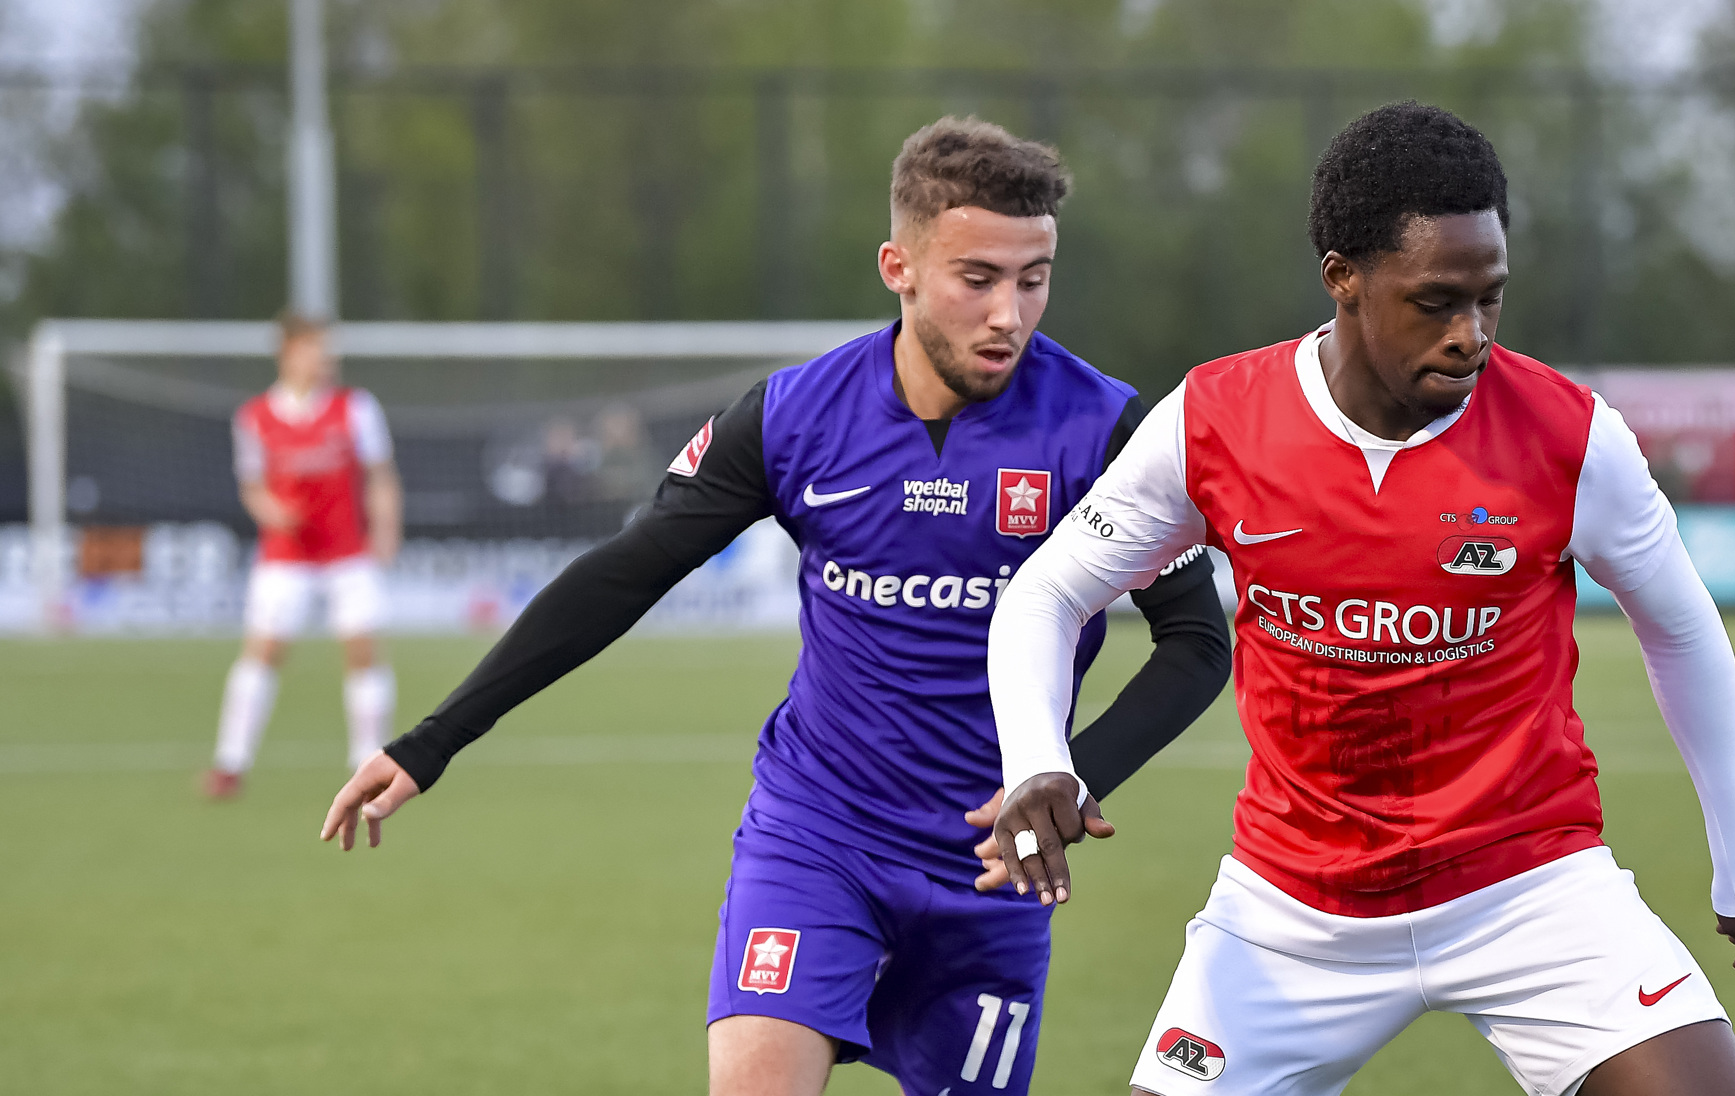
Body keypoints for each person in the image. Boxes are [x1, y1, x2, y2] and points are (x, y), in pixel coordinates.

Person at [317, 117, 1232, 1096]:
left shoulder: (1105, 430)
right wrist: (435, 738)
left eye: (1033, 279)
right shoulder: (796, 416)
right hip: (817, 834)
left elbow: (1193, 640)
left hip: (992, 868)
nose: (1009, 313)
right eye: (977, 278)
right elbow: (627, 572)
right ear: (899, 267)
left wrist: (1069, 780)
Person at [981, 102, 1735, 1096]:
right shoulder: (1214, 420)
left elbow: (1679, 626)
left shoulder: (1572, 435)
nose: (1470, 335)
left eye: (1490, 298)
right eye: (1435, 303)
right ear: (1343, 278)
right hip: (1291, 913)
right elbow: (1046, 593)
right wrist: (1036, 759)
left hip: (1529, 888)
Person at [204, 312, 402, 799]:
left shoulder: (356, 407)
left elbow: (380, 475)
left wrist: (386, 531)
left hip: (347, 553)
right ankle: (230, 762)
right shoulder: (255, 416)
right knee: (264, 651)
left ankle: (368, 763)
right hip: (286, 557)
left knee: (362, 651)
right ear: (289, 352)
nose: (326, 359)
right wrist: (271, 511)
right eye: (316, 349)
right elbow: (252, 485)